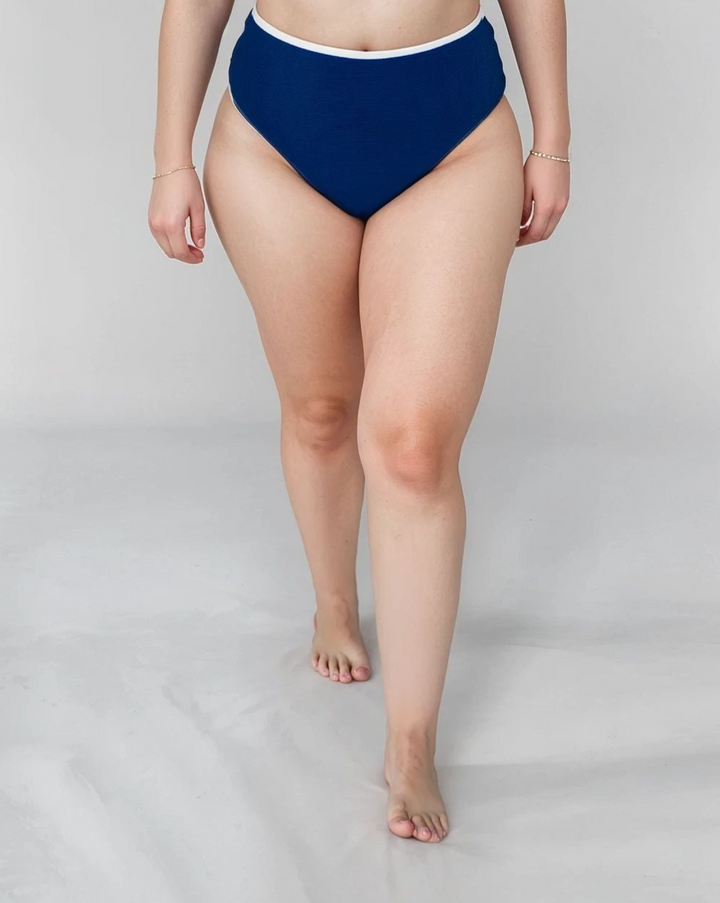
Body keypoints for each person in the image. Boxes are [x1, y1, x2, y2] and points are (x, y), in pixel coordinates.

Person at [148, 0, 570, 844]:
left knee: (414, 449)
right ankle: (334, 602)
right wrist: (170, 159)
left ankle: (411, 739)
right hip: (278, 131)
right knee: (320, 410)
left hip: (451, 128)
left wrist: (552, 140)